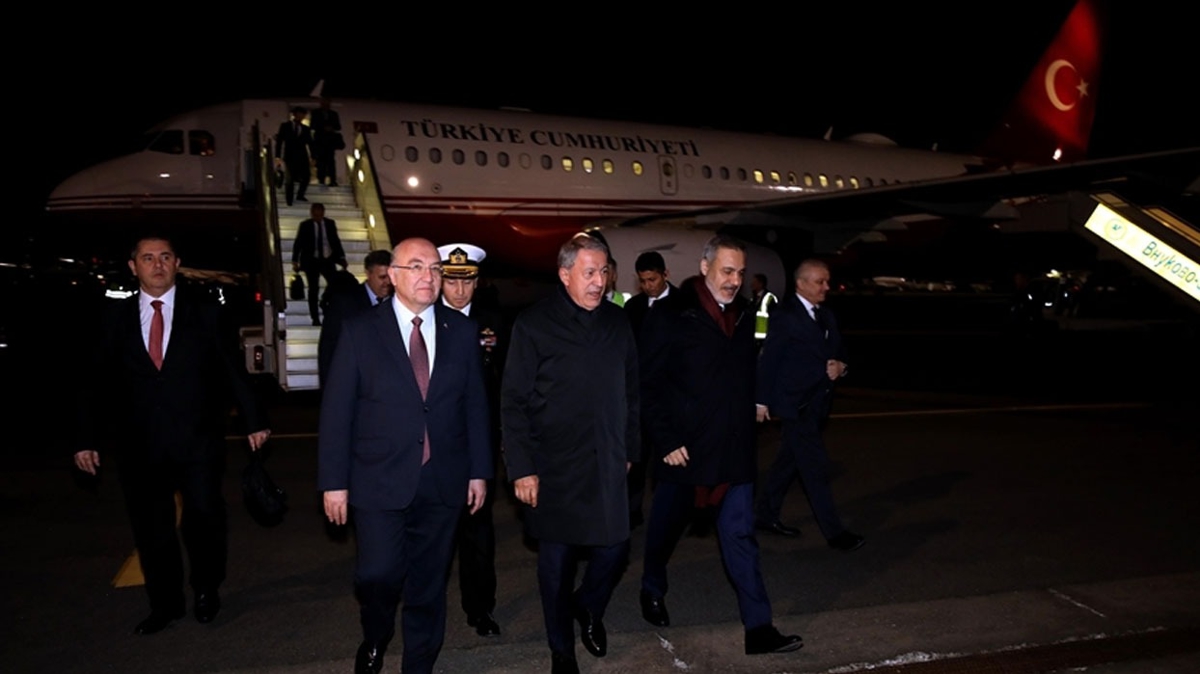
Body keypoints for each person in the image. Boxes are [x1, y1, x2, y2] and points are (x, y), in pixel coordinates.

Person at [74, 235, 271, 635]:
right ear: (134, 267)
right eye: (148, 258)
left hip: (198, 440)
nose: (158, 264)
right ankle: (164, 604)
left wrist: (254, 419)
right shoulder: (113, 317)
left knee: (205, 517)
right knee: (152, 527)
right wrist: (85, 437)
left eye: (165, 257)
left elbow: (232, 368)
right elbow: (94, 382)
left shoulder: (205, 312)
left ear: (177, 262)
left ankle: (206, 588)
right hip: (139, 445)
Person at [319, 237, 492, 674]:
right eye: (416, 267)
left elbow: (475, 406)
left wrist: (479, 471)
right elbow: (337, 411)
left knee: (429, 583)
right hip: (377, 479)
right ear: (392, 275)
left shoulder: (461, 332)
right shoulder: (360, 331)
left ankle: (419, 664)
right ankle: (376, 633)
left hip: (443, 478)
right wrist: (334, 483)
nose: (428, 276)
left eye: (434, 268)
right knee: (377, 575)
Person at [638, 234, 803, 656]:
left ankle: (759, 628)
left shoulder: (745, 315)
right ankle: (652, 586)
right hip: (684, 451)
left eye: (740, 273)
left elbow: (749, 370)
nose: (734, 280)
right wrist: (666, 438)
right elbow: (647, 384)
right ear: (704, 267)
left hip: (733, 447)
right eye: (727, 271)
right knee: (664, 530)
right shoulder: (671, 314)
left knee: (741, 536)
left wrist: (760, 400)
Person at [501, 234, 640, 674]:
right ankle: (561, 651)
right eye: (589, 273)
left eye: (604, 272)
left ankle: (588, 607)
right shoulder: (534, 324)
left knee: (615, 549)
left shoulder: (617, 322)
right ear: (565, 275)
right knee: (556, 567)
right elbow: (513, 402)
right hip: (554, 468)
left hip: (608, 461)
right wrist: (522, 468)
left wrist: (630, 449)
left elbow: (633, 392)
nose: (599, 282)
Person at [754, 260, 865, 551]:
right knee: (814, 468)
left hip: (818, 403)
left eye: (827, 281)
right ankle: (834, 533)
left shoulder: (826, 316)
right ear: (801, 284)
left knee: (787, 463)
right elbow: (769, 360)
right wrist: (761, 400)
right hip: (796, 405)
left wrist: (841, 367)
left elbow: (840, 352)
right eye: (819, 282)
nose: (826, 287)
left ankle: (765, 515)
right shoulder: (785, 316)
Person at [438, 243, 506, 638]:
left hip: (479, 441)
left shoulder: (492, 322)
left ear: (477, 282)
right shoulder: (425, 321)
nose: (459, 290)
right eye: (452, 281)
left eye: (466, 282)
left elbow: (506, 382)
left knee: (478, 531)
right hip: (436, 444)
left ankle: (480, 608)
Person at [621, 250, 678, 527]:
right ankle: (632, 511)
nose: (648, 286)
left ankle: (666, 513)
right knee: (637, 456)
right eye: (643, 281)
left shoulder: (682, 305)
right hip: (639, 395)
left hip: (670, 397)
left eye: (652, 280)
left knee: (668, 458)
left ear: (665, 275)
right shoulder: (633, 308)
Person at [316, 249, 393, 385]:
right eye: (382, 277)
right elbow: (329, 350)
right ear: (368, 274)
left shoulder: (399, 303)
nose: (387, 282)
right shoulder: (344, 304)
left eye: (390, 277)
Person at [292, 202, 347, 325]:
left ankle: (326, 304)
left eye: (320, 215)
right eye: (315, 215)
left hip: (327, 259)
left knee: (335, 284)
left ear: (323, 213)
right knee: (313, 289)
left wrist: (341, 257)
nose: (317, 218)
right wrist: (295, 260)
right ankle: (315, 318)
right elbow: (298, 243)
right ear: (312, 214)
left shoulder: (330, 224)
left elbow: (335, 241)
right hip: (311, 261)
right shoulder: (305, 225)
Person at [274, 106, 313, 206]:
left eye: (303, 114)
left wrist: (313, 157)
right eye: (299, 114)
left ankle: (300, 195)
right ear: (294, 114)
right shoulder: (285, 126)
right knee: (289, 179)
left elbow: (310, 144)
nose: (301, 116)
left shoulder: (306, 129)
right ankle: (289, 200)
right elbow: (279, 141)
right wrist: (277, 156)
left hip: (302, 156)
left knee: (307, 176)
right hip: (289, 156)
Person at [310, 96, 343, 187]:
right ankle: (321, 179)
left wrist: (331, 128)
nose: (326, 104)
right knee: (321, 161)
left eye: (327, 102)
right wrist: (322, 128)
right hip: (320, 140)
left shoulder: (334, 114)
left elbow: (338, 127)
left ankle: (333, 180)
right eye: (324, 102)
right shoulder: (315, 113)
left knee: (331, 161)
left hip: (330, 141)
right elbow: (312, 126)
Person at [751, 273, 778, 346]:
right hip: (754, 337)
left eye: (755, 282)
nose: (752, 284)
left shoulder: (770, 298)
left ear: (760, 284)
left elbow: (774, 318)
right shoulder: (753, 298)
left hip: (765, 338)